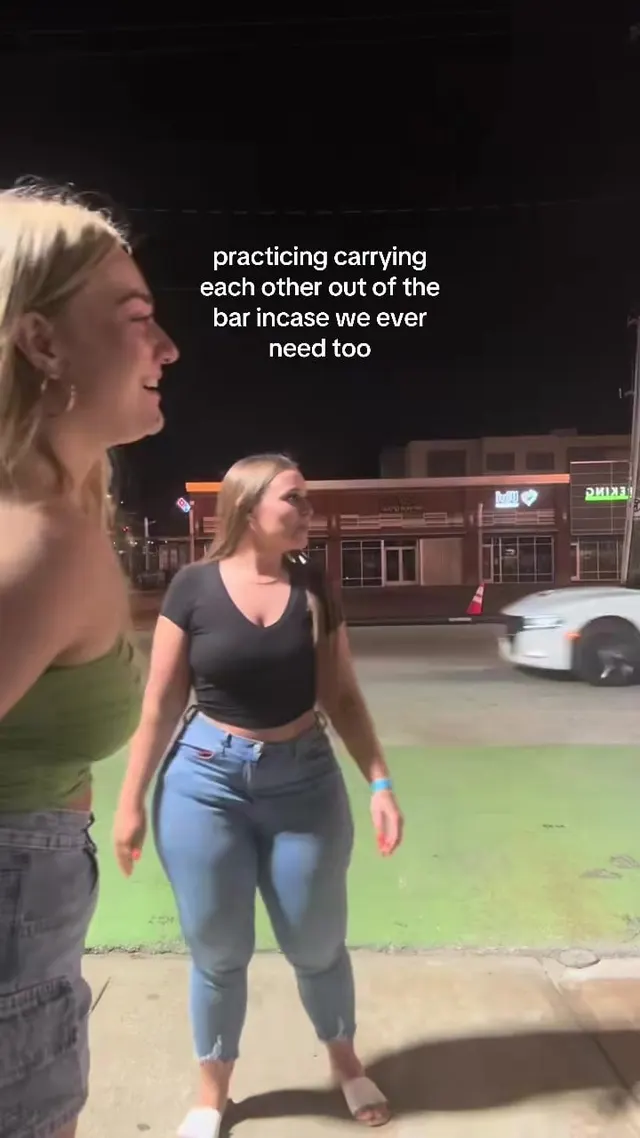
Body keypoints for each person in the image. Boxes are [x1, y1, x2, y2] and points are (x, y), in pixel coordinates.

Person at [114, 453, 405, 1137]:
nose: (307, 511)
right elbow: (160, 703)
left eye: (307, 499)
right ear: (247, 508)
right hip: (204, 783)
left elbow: (342, 695)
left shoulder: (314, 588)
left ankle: (345, 1061)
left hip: (305, 781)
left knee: (317, 942)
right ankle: (212, 1092)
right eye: (293, 499)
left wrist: (380, 780)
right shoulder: (192, 587)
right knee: (218, 951)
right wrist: (130, 802)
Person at [0, 184, 179, 1138]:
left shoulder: (57, 516)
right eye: (137, 318)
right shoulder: (37, 541)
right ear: (42, 341)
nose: (167, 347)